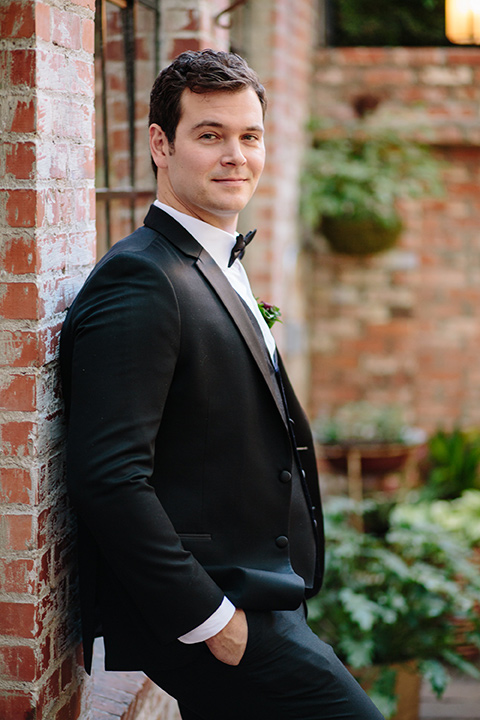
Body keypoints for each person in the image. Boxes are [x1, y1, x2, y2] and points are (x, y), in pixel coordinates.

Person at [60, 49, 385, 720]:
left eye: (249, 135)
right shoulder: (141, 278)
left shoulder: (210, 260)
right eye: (210, 135)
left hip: (265, 599)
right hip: (220, 616)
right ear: (161, 143)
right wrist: (213, 621)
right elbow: (109, 476)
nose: (236, 155)